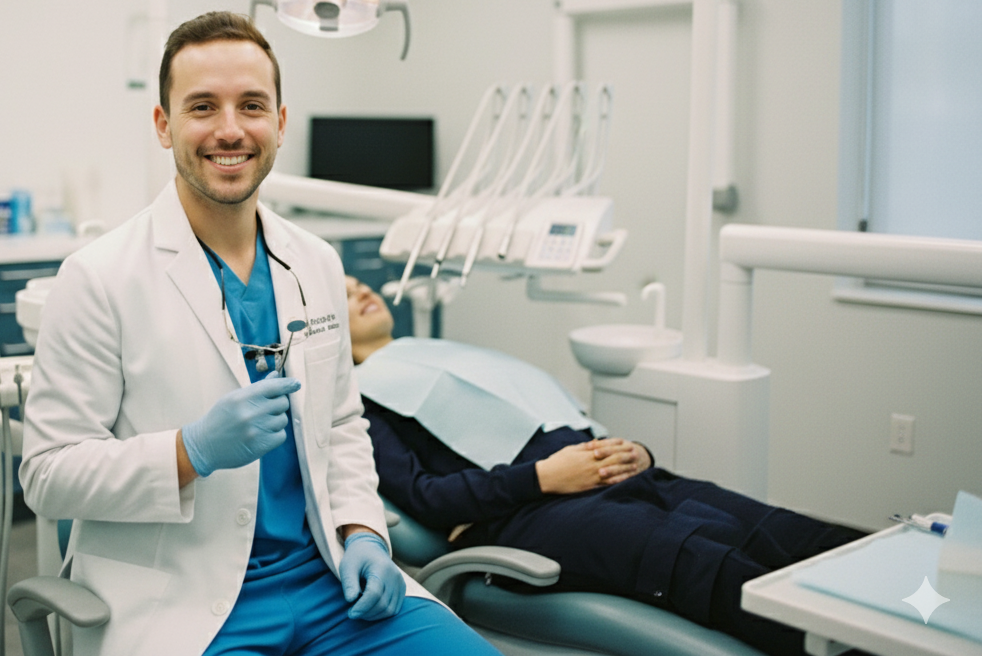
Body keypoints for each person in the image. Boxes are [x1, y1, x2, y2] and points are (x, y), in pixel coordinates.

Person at [20, 11, 501, 656]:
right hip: (190, 603)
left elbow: (340, 425)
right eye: (201, 107)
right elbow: (48, 475)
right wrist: (191, 450)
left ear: (278, 121)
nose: (229, 130)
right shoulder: (99, 278)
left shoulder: (316, 261)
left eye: (251, 105)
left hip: (329, 585)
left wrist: (362, 532)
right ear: (163, 125)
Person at [346, 276, 869, 656]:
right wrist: (547, 476)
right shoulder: (358, 401)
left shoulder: (439, 351)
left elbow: (559, 418)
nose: (360, 291)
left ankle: (920, 614)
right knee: (716, 564)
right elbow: (427, 498)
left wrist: (633, 452)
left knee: (786, 533)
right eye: (343, 295)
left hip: (612, 476)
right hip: (528, 514)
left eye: (357, 283)